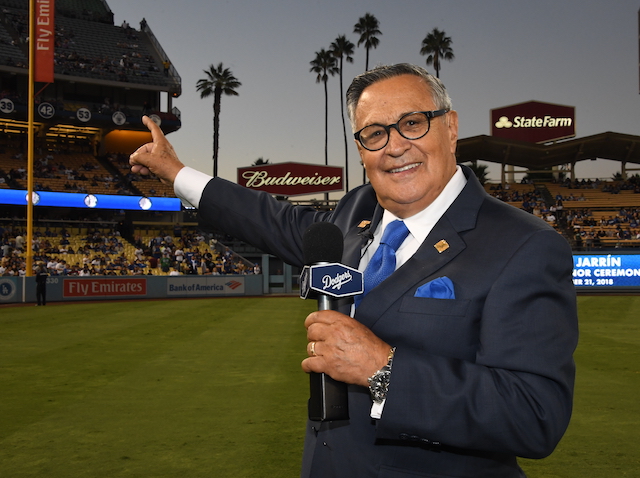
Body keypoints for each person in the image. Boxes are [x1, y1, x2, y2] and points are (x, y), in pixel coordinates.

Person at [130, 63, 578, 478]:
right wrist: (176, 172)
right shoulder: (356, 209)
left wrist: (383, 370)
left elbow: (535, 414)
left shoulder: (526, 245)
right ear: (361, 148)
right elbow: (270, 218)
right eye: (374, 133)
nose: (395, 146)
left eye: (412, 123)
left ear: (451, 126)